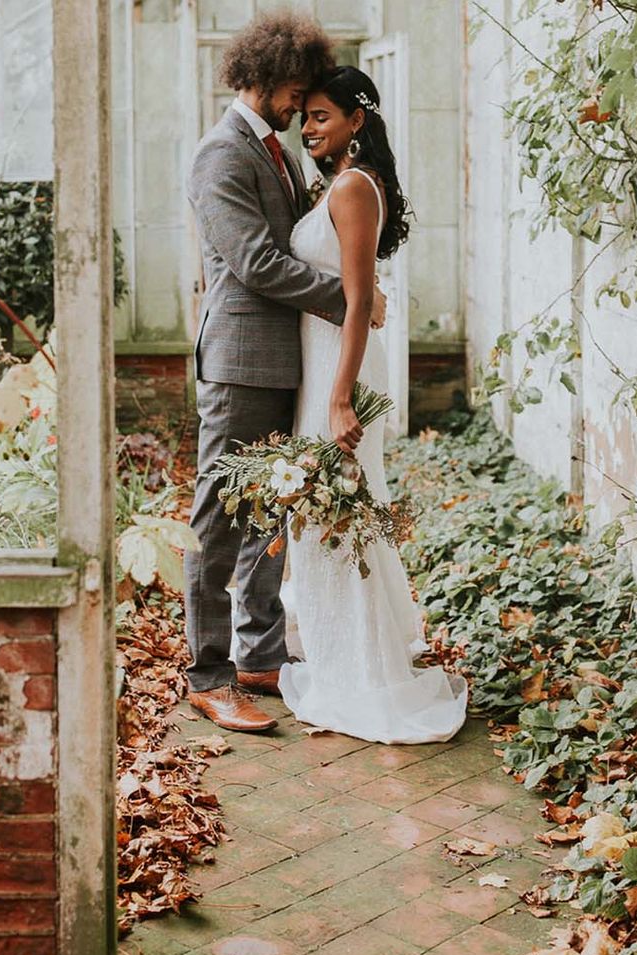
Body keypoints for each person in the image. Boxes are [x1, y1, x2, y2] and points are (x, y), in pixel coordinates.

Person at [184, 13, 386, 732]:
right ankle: (208, 675)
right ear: (262, 79)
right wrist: (351, 300)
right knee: (218, 516)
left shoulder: (272, 149)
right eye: (296, 91)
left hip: (286, 359)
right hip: (240, 363)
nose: (303, 105)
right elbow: (256, 263)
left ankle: (260, 654)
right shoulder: (222, 154)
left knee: (271, 510)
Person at [278, 65, 468, 743]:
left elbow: (359, 302)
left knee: (339, 517)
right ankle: (346, 663)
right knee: (335, 516)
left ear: (357, 121)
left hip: (342, 369)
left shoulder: (355, 187)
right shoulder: (340, 184)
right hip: (324, 363)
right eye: (306, 118)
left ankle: (362, 675)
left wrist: (338, 398)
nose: (309, 127)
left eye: (323, 116)